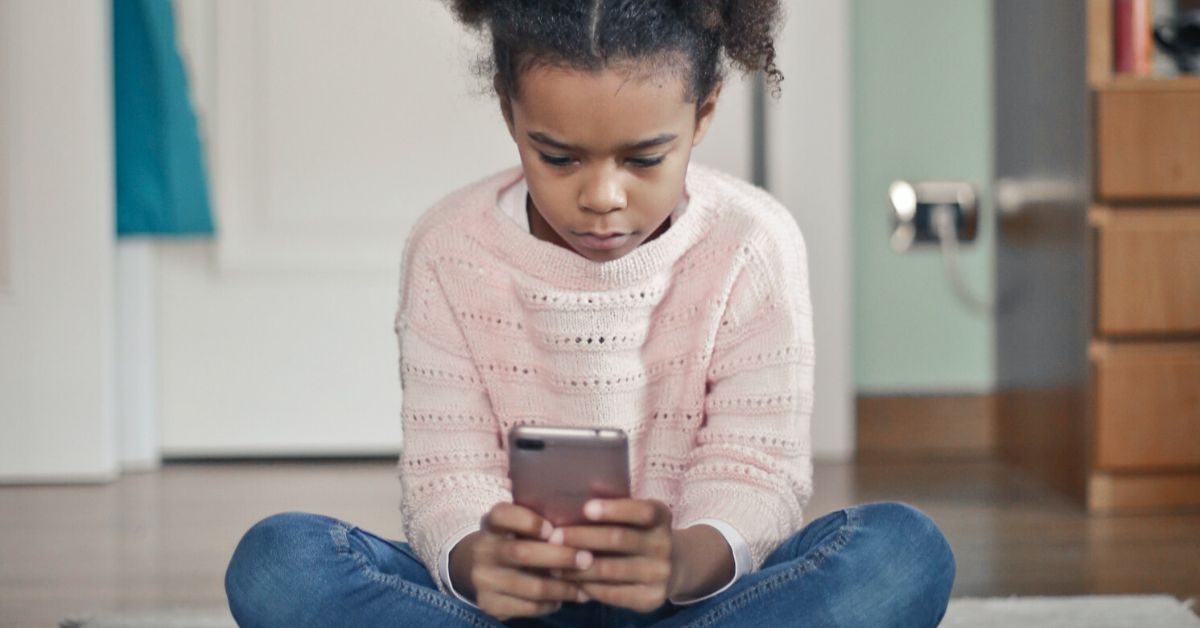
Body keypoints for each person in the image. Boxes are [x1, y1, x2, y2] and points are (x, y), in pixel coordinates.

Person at [224, 1, 956, 626]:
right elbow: (445, 476)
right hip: (503, 610)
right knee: (279, 563)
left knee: (901, 552)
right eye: (560, 158)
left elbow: (757, 472)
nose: (602, 196)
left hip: (695, 600)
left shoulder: (752, 244)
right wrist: (485, 564)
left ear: (702, 115)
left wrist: (678, 564)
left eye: (643, 160)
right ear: (510, 113)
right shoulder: (448, 249)